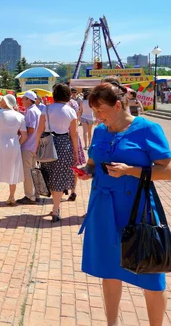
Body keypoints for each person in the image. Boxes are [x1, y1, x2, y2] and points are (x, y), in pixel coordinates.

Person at [75, 81, 171, 326]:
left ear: (118, 105)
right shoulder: (100, 131)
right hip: (103, 210)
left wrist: (132, 171)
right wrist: (87, 171)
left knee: (151, 274)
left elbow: (168, 170)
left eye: (100, 111)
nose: (96, 116)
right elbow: (94, 164)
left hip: (137, 209)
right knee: (109, 270)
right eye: (94, 111)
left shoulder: (148, 129)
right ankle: (111, 323)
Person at [35, 84, 79, 222]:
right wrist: (76, 153)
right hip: (64, 144)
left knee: (49, 175)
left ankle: (55, 207)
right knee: (59, 177)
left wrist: (35, 147)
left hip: (47, 144)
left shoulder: (46, 109)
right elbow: (74, 134)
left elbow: (39, 131)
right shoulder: (71, 111)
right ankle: (55, 209)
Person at [0, 94, 27, 206]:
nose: (1, 102)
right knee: (13, 169)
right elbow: (24, 135)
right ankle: (11, 196)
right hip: (13, 144)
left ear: (6, 102)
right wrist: (18, 143)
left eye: (2, 100)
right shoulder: (20, 116)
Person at [16, 91, 41, 204]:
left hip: (28, 145)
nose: (22, 101)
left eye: (23, 99)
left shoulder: (31, 111)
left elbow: (30, 129)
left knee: (28, 172)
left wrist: (20, 132)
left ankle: (30, 195)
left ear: (28, 100)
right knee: (34, 171)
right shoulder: (37, 110)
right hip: (35, 145)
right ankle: (36, 194)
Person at [63, 87, 86, 201]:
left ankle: (64, 188)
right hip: (74, 137)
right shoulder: (74, 104)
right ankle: (73, 190)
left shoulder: (62, 106)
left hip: (64, 137)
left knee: (62, 166)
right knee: (74, 166)